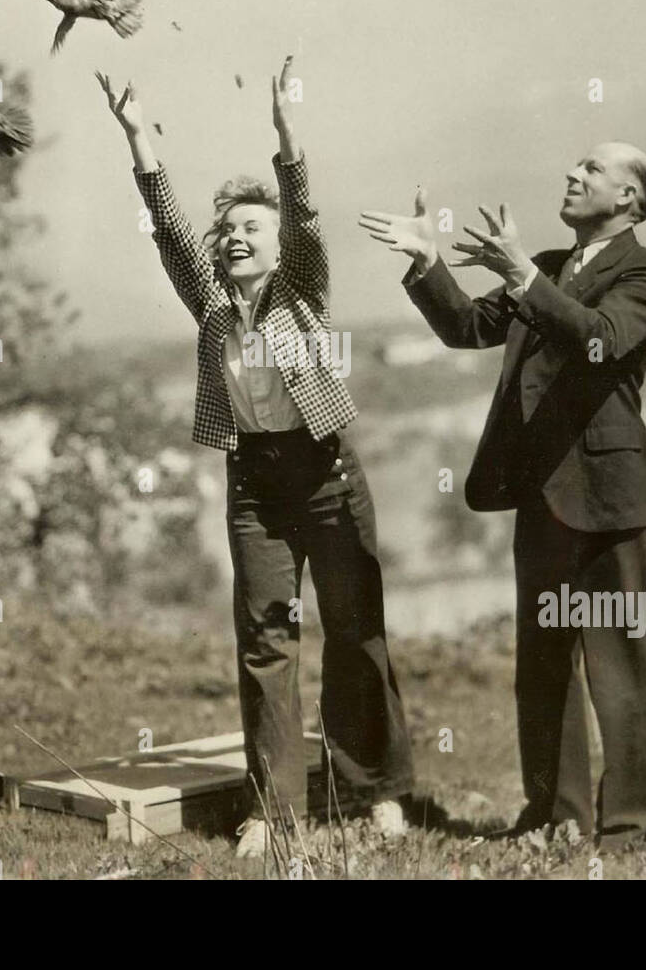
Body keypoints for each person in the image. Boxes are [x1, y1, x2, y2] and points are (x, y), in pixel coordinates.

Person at [96, 58, 413, 860]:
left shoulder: (302, 289)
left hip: (327, 471)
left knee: (354, 626)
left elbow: (303, 215)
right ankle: (274, 812)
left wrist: (287, 134)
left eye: (251, 231)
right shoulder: (209, 301)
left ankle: (375, 792)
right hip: (255, 484)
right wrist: (139, 137)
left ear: (276, 249)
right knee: (267, 637)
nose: (236, 239)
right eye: (228, 231)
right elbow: (170, 229)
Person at [358, 143, 646, 848]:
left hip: (607, 495)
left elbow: (600, 340)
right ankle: (556, 816)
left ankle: (634, 827)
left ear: (629, 198)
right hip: (543, 498)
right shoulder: (554, 270)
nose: (572, 173)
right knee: (543, 661)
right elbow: (467, 327)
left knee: (620, 663)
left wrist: (525, 276)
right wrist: (424, 261)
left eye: (592, 169)